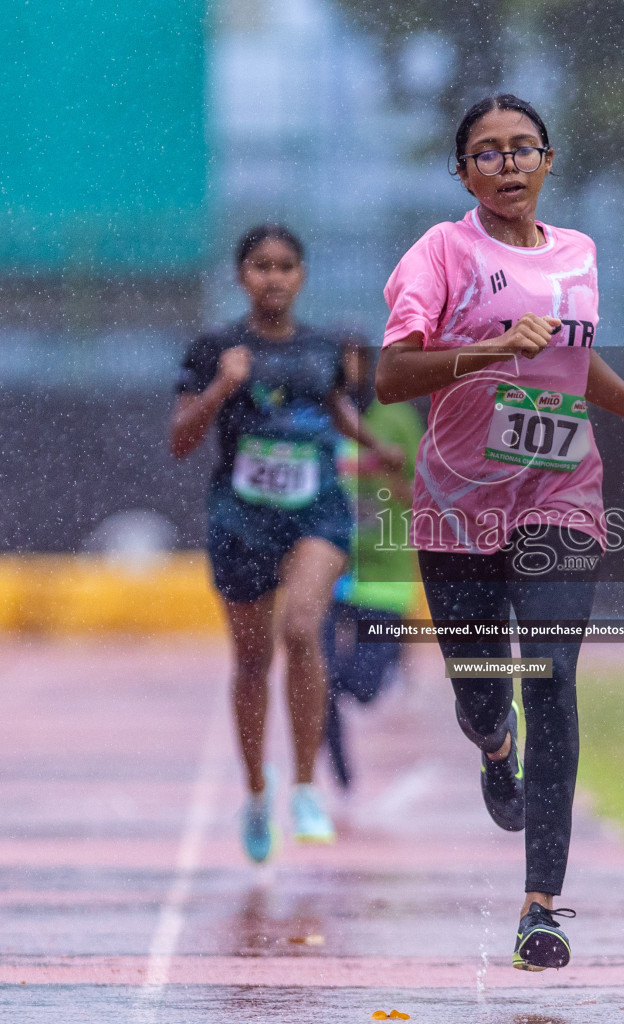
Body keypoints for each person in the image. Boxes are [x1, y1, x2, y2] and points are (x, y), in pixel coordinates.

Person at [374, 94, 624, 971]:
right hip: (456, 509)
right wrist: (487, 351)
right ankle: (491, 740)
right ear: (463, 171)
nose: (508, 164)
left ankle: (541, 908)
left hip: (563, 495)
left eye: (523, 149)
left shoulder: (580, 254)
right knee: (486, 686)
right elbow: (391, 375)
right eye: (488, 153)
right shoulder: (440, 253)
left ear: (548, 161)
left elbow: (569, 359)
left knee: (551, 672)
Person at [171, 224, 402, 864]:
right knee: (251, 663)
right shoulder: (214, 347)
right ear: (241, 275)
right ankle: (254, 791)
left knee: (302, 629)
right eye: (260, 266)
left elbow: (336, 410)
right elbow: (180, 439)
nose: (273, 277)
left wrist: (373, 447)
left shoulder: (328, 347)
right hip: (241, 520)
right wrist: (221, 386)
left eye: (285, 266)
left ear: (301, 275)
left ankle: (304, 786)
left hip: (316, 515)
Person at [321, 331, 425, 790]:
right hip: (327, 569)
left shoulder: (397, 421)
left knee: (360, 686)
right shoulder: (318, 418)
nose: (347, 373)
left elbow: (430, 492)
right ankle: (334, 762)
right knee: (314, 673)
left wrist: (386, 480)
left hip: (385, 573)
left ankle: (329, 703)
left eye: (354, 362)